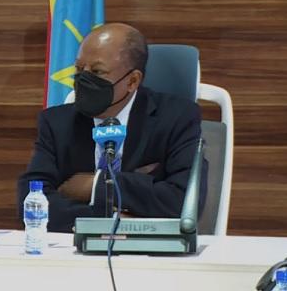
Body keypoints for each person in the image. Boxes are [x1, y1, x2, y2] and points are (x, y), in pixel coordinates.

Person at [18, 23, 207, 233]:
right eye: (79, 69)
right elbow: (31, 202)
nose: (83, 80)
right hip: (75, 245)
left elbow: (184, 201)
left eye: (97, 71)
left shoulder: (177, 118)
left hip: (149, 249)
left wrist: (96, 185)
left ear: (132, 81)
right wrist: (112, 220)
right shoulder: (56, 123)